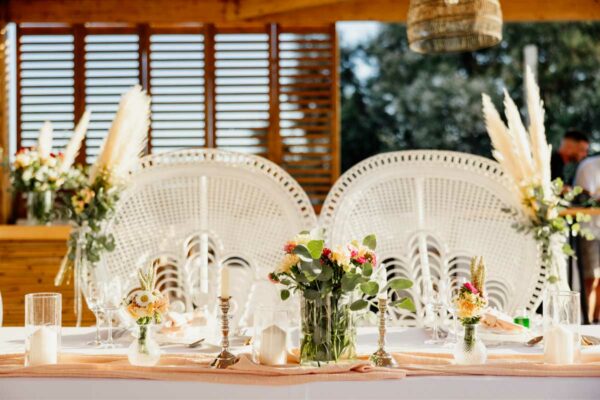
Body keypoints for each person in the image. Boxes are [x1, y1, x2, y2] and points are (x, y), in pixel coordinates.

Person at [574, 155, 600, 323]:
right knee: (591, 277)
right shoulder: (589, 166)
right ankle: (587, 321)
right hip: (590, 230)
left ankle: (597, 319)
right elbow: (586, 199)